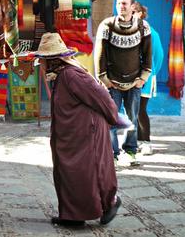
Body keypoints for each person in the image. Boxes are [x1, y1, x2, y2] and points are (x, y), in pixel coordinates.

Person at [36, 33, 121, 226]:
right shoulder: (62, 76)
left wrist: (112, 117)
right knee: (68, 171)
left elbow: (102, 97)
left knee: (89, 171)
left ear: (52, 61)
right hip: (73, 134)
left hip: (87, 133)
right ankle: (73, 215)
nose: (41, 65)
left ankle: (109, 204)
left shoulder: (72, 75)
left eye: (43, 60)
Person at [94, 0, 152, 166]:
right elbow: (100, 53)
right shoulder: (107, 25)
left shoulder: (143, 26)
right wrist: (102, 78)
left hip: (134, 83)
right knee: (111, 119)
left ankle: (131, 151)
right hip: (112, 83)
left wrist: (143, 77)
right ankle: (112, 154)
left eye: (125, 3)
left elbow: (148, 54)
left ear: (133, 6)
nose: (121, 6)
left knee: (132, 118)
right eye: (119, 3)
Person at [133, 3, 164, 156]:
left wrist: (149, 74)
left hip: (145, 78)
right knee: (132, 110)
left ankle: (146, 142)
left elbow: (159, 57)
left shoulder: (152, 33)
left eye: (135, 12)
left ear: (141, 13)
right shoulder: (127, 32)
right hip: (130, 78)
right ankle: (138, 140)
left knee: (140, 110)